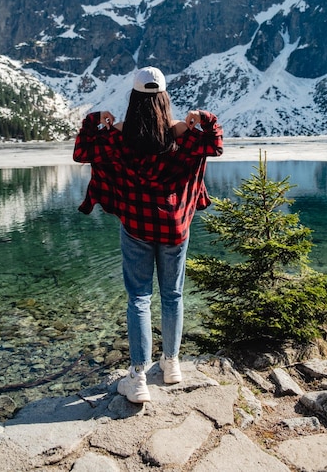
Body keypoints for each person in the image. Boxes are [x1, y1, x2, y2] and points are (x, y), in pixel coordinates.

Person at [73, 66, 223, 403]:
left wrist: (95, 119)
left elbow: (82, 152)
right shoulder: (183, 137)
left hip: (137, 227)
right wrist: (205, 118)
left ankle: (138, 377)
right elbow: (215, 143)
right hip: (176, 229)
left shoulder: (119, 138)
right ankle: (171, 365)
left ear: (134, 100)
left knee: (139, 298)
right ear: (164, 98)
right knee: (173, 295)